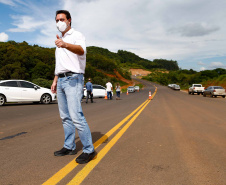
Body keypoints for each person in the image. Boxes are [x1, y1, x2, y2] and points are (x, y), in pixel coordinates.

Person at [51, 10, 95, 164]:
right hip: (62, 79)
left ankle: (89, 149)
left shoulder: (76, 35)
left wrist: (65, 44)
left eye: (61, 19)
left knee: (76, 116)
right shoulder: (60, 39)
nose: (59, 22)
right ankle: (69, 146)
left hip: (73, 78)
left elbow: (81, 50)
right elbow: (60, 64)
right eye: (56, 20)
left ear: (69, 20)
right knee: (65, 117)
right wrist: (55, 80)